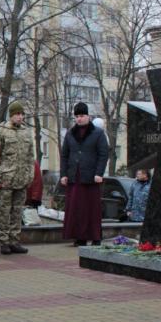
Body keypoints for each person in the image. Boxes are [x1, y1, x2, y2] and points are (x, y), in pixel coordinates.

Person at [60, 102, 109, 246]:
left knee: (92, 209)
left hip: (91, 178)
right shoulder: (70, 134)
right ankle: (79, 237)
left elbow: (103, 154)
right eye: (77, 116)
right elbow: (64, 155)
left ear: (88, 116)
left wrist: (99, 173)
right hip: (74, 177)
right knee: (76, 209)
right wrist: (64, 174)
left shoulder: (98, 133)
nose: (79, 119)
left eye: (82, 116)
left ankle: (95, 237)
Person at [0, 101, 34, 255]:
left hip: (21, 179)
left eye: (22, 114)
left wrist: (30, 175)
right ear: (11, 115)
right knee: (4, 211)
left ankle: (15, 240)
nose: (20, 117)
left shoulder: (26, 132)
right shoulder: (1, 132)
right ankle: (3, 241)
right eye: (17, 114)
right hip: (6, 179)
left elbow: (30, 157)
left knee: (17, 212)